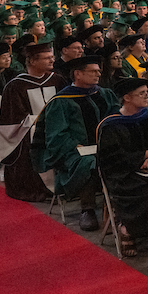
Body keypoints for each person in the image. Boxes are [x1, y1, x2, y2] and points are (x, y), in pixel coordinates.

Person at [33, 56, 118, 231]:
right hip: (74, 151)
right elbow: (56, 135)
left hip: (105, 146)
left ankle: (117, 207)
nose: (98, 74)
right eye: (93, 71)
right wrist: (74, 147)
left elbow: (116, 120)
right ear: (78, 74)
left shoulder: (105, 94)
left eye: (99, 71)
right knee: (89, 162)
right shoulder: (61, 101)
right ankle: (87, 209)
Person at [97, 77, 148, 255]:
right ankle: (127, 227)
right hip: (124, 173)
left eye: (147, 93)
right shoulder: (111, 125)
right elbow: (111, 158)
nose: (147, 97)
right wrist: (144, 156)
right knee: (143, 188)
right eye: (142, 94)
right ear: (127, 97)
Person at [0, 41, 64, 201]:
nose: (52, 60)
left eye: (52, 57)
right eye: (47, 58)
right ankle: (38, 187)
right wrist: (42, 123)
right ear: (32, 61)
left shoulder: (58, 80)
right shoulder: (16, 86)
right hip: (27, 131)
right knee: (33, 138)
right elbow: (13, 119)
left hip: (58, 127)